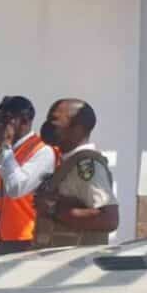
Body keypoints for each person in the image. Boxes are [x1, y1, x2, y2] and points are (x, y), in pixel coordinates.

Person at [33, 99, 119, 247]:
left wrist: (54, 209)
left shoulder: (87, 166)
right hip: (57, 257)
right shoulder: (67, 162)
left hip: (76, 259)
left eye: (54, 120)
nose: (48, 126)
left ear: (78, 128)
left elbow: (109, 219)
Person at [0, 96, 58, 257]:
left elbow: (16, 188)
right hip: (5, 243)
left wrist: (5, 146)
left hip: (29, 243)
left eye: (5, 120)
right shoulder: (5, 154)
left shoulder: (41, 151)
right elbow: (10, 201)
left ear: (24, 121)